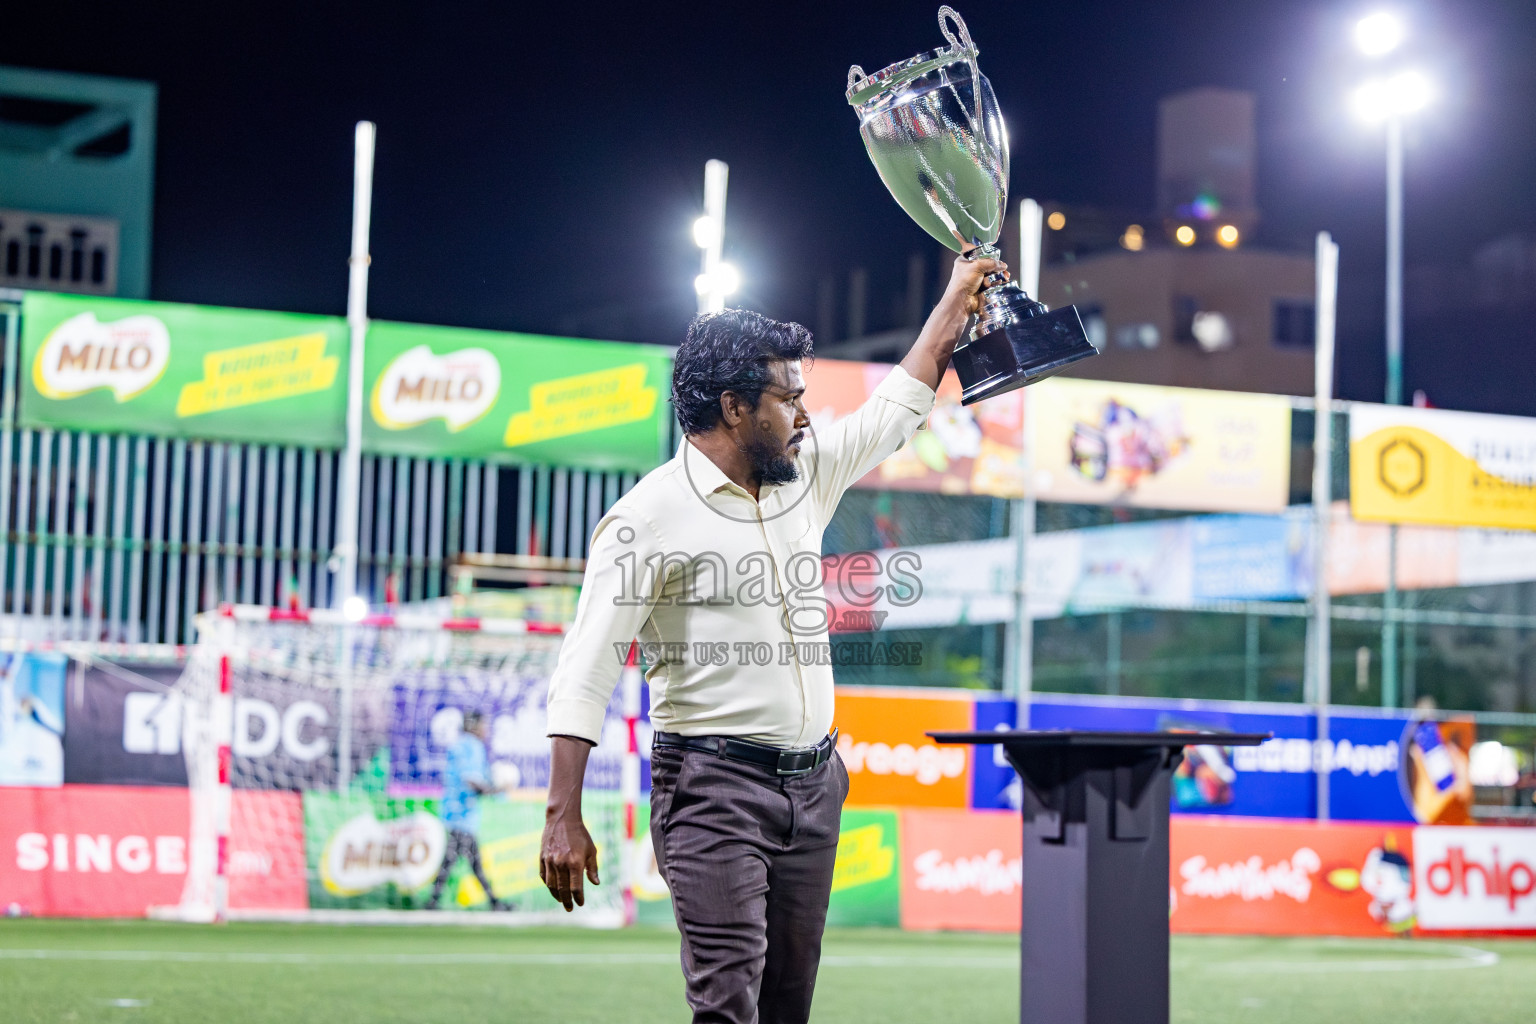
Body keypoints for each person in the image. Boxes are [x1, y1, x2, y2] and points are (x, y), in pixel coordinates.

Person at [540, 253, 1006, 1023]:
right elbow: (586, 669)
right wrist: (563, 813)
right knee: (729, 1006)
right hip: (713, 791)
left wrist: (957, 297)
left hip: (817, 786)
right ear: (733, 408)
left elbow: (902, 399)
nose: (805, 416)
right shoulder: (644, 518)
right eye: (790, 399)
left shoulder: (804, 472)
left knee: (788, 1008)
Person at [425, 709, 507, 911]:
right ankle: (494, 902)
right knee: (465, 860)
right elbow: (470, 779)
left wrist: (496, 789)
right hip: (459, 814)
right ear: (473, 726)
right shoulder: (467, 746)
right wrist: (492, 790)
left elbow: (481, 778)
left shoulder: (468, 746)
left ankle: (433, 902)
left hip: (462, 814)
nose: (486, 729)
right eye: (484, 724)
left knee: (457, 860)